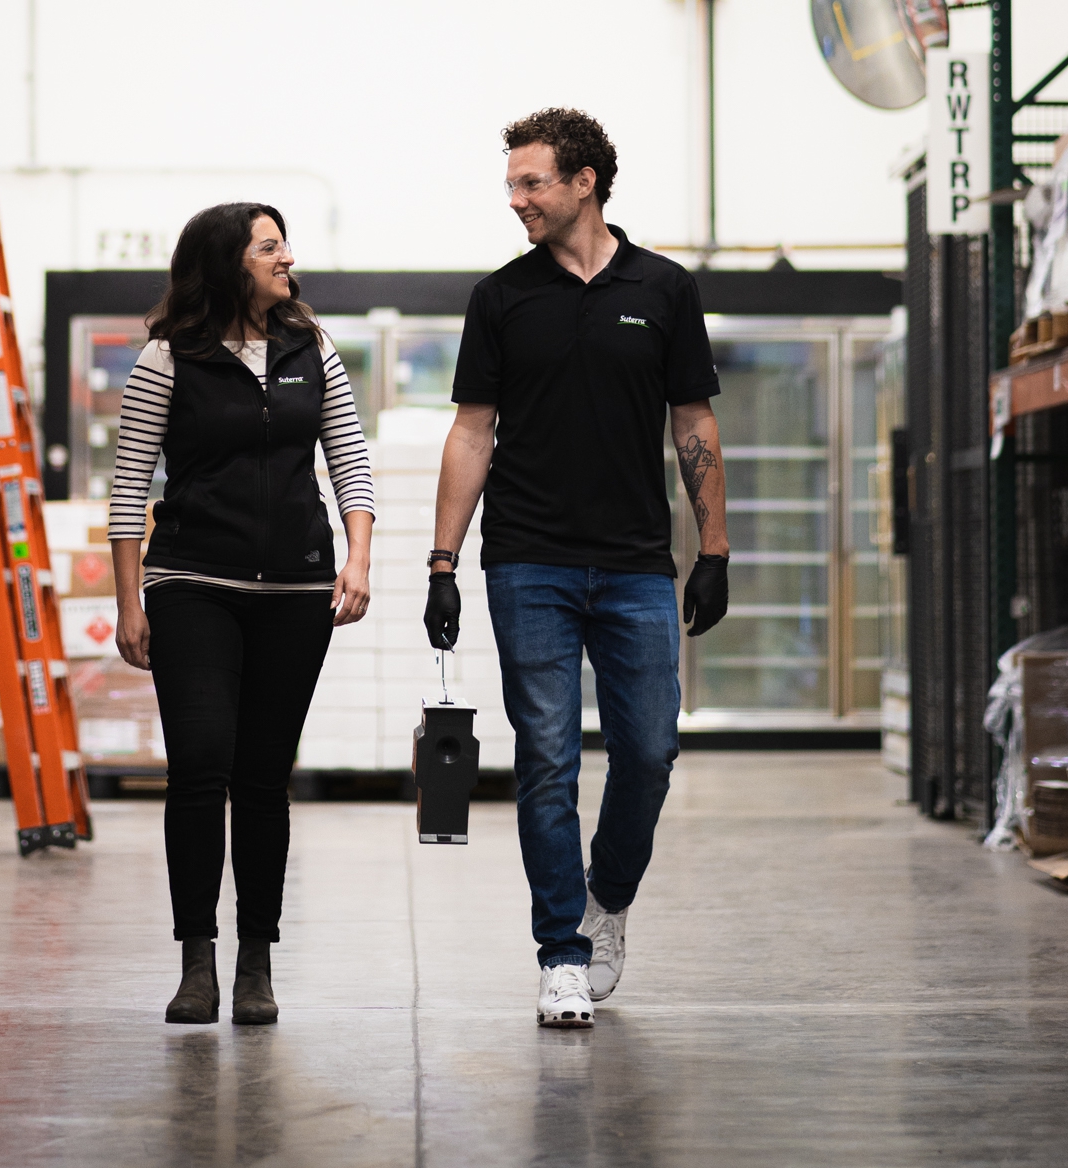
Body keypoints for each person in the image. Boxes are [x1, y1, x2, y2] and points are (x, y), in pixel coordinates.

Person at [423, 109, 730, 1028]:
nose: (515, 199)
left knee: (649, 752)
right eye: (512, 183)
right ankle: (561, 951)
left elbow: (694, 426)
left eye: (532, 183)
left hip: (638, 565)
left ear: (584, 182)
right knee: (547, 759)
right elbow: (472, 432)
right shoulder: (502, 298)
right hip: (528, 563)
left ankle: (609, 895)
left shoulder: (665, 289)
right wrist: (443, 561)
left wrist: (712, 550)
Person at [109, 202, 375, 1026]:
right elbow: (128, 490)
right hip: (193, 584)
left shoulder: (311, 348)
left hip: (296, 591)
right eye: (269, 246)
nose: (286, 257)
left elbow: (350, 460)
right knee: (198, 769)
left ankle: (257, 964)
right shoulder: (169, 358)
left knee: (264, 781)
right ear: (229, 263)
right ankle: (198, 962)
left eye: (283, 244)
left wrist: (356, 557)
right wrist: (129, 601)